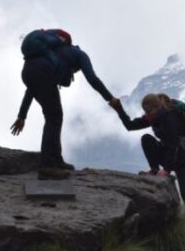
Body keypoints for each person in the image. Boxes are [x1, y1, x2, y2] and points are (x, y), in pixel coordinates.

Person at [11, 29, 118, 180]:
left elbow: (31, 89)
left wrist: (22, 115)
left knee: (54, 116)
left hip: (27, 72)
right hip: (44, 73)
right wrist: (110, 98)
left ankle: (56, 160)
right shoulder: (80, 55)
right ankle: (47, 166)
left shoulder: (50, 54)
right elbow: (92, 79)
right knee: (54, 117)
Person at [110, 93, 185, 231]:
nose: (146, 114)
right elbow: (130, 126)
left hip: (183, 158)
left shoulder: (169, 117)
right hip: (168, 155)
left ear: (157, 108)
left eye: (148, 111)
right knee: (146, 139)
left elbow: (173, 144)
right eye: (145, 111)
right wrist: (119, 110)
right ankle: (153, 169)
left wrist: (167, 170)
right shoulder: (153, 117)